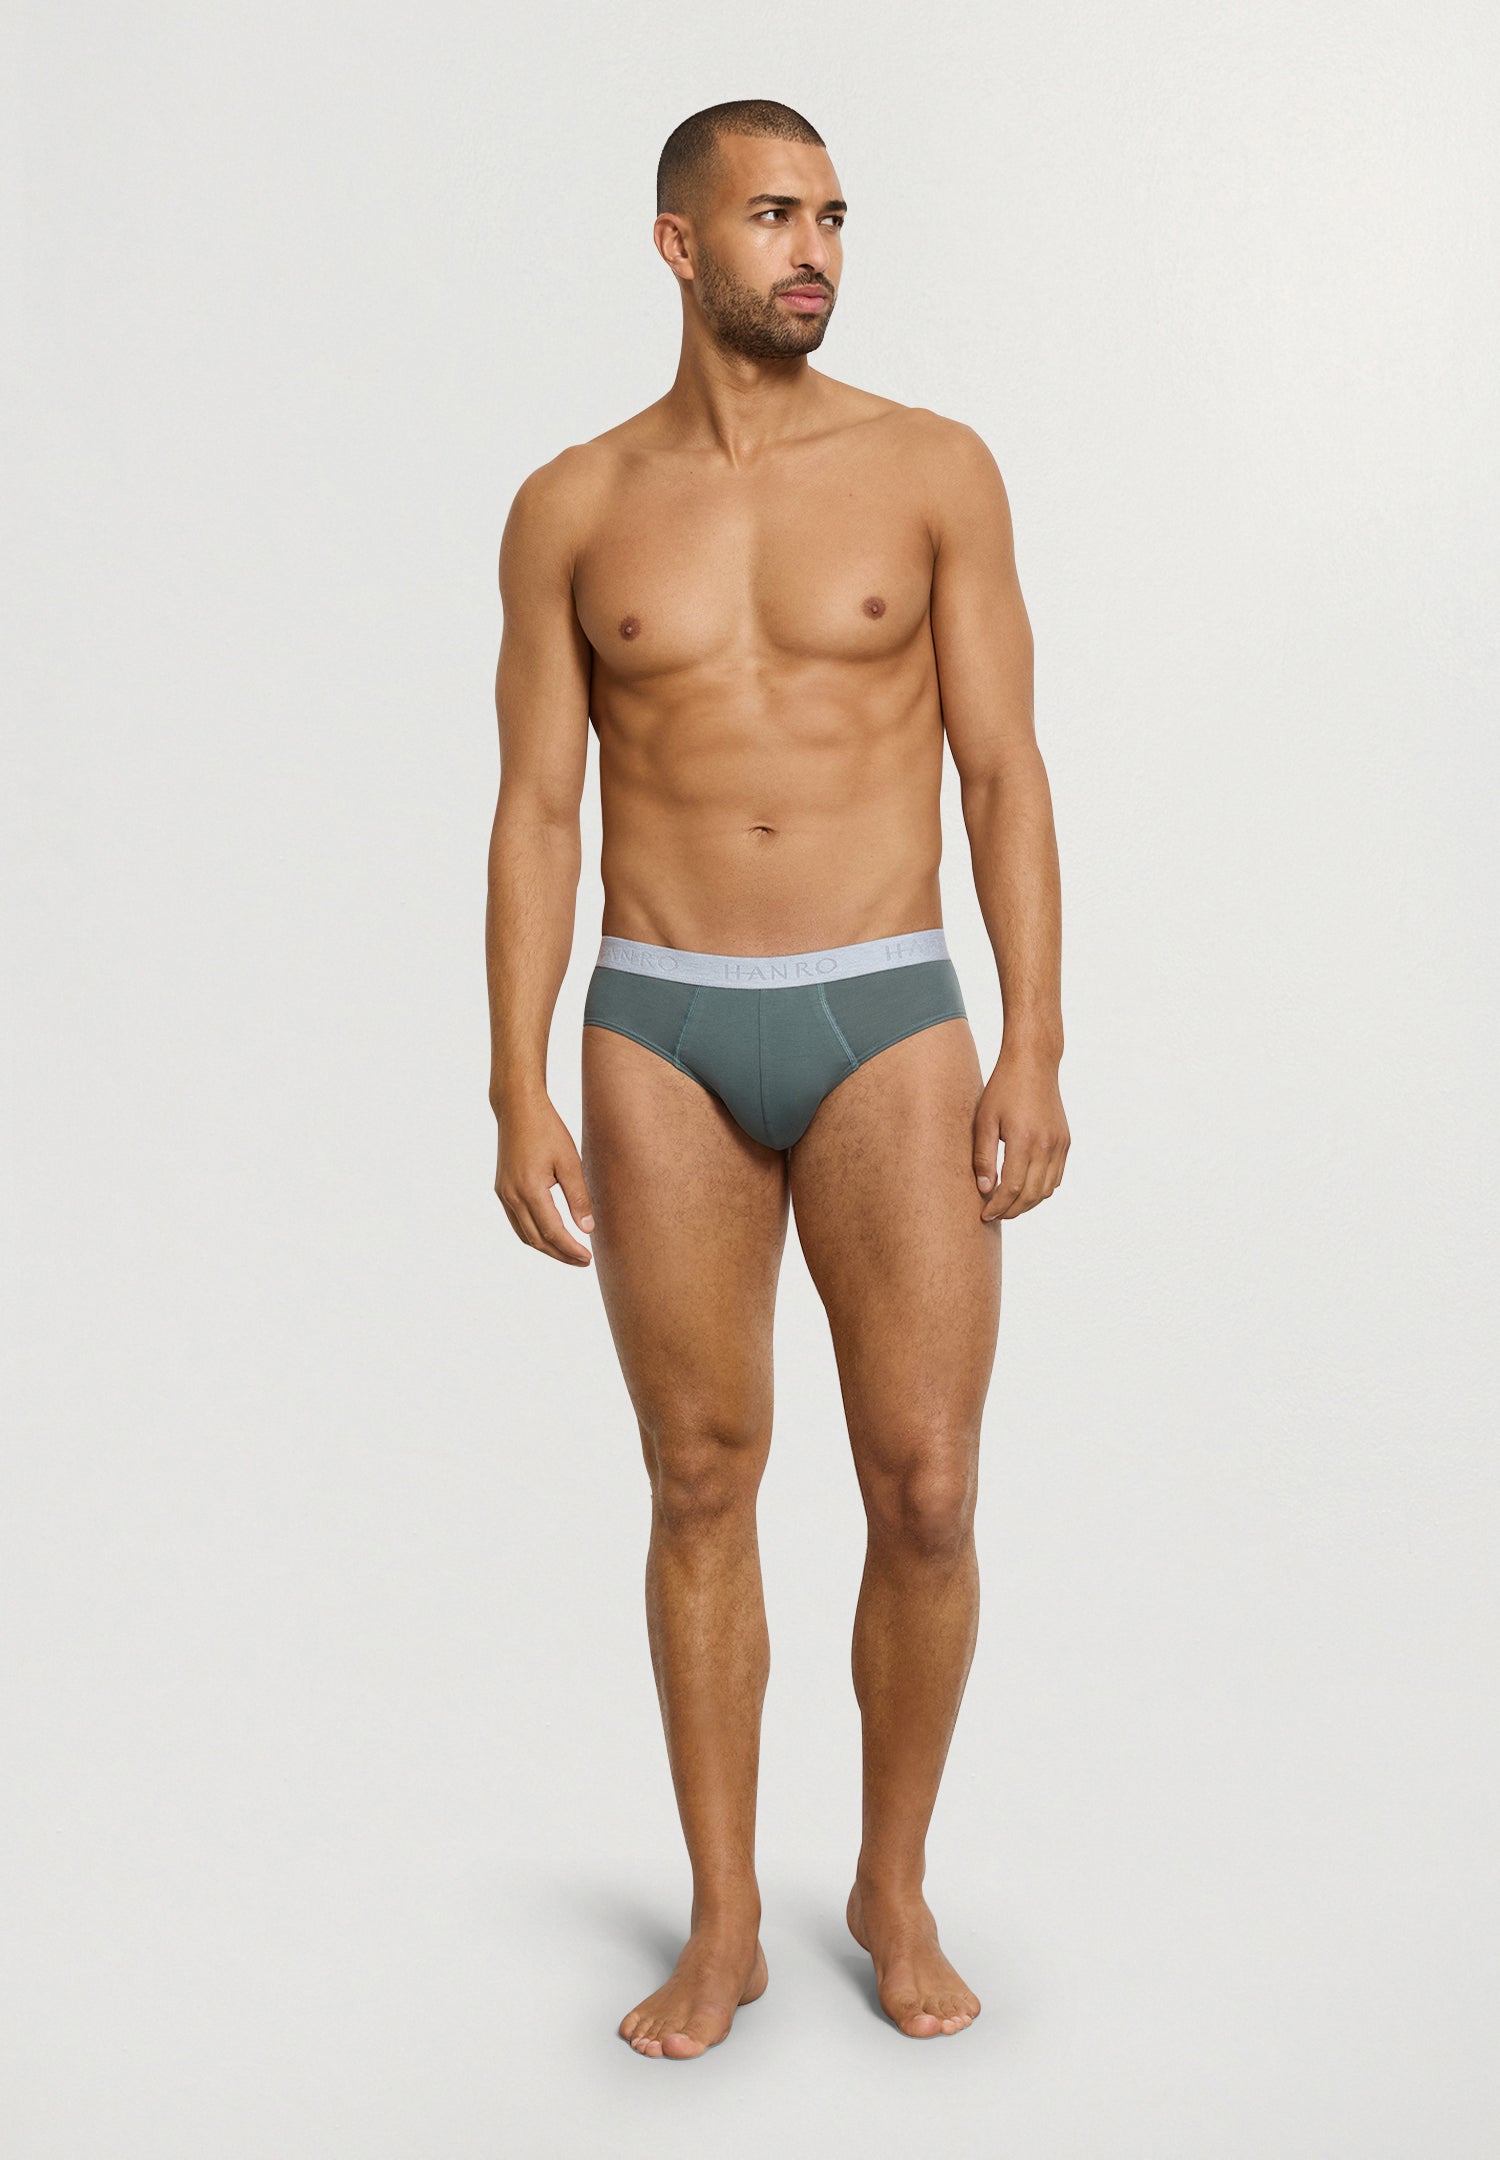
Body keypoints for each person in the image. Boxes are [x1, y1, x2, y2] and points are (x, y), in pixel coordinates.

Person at [485, 98, 1069, 2059]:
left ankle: (891, 1881)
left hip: (888, 1012)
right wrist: (514, 1080)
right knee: (699, 1476)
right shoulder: (572, 506)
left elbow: (1003, 767)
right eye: (770, 216)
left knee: (928, 1486)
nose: (811, 248)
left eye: (829, 216)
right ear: (680, 246)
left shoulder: (932, 469)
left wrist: (1035, 1036)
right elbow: (537, 810)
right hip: (657, 1023)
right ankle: (724, 1918)